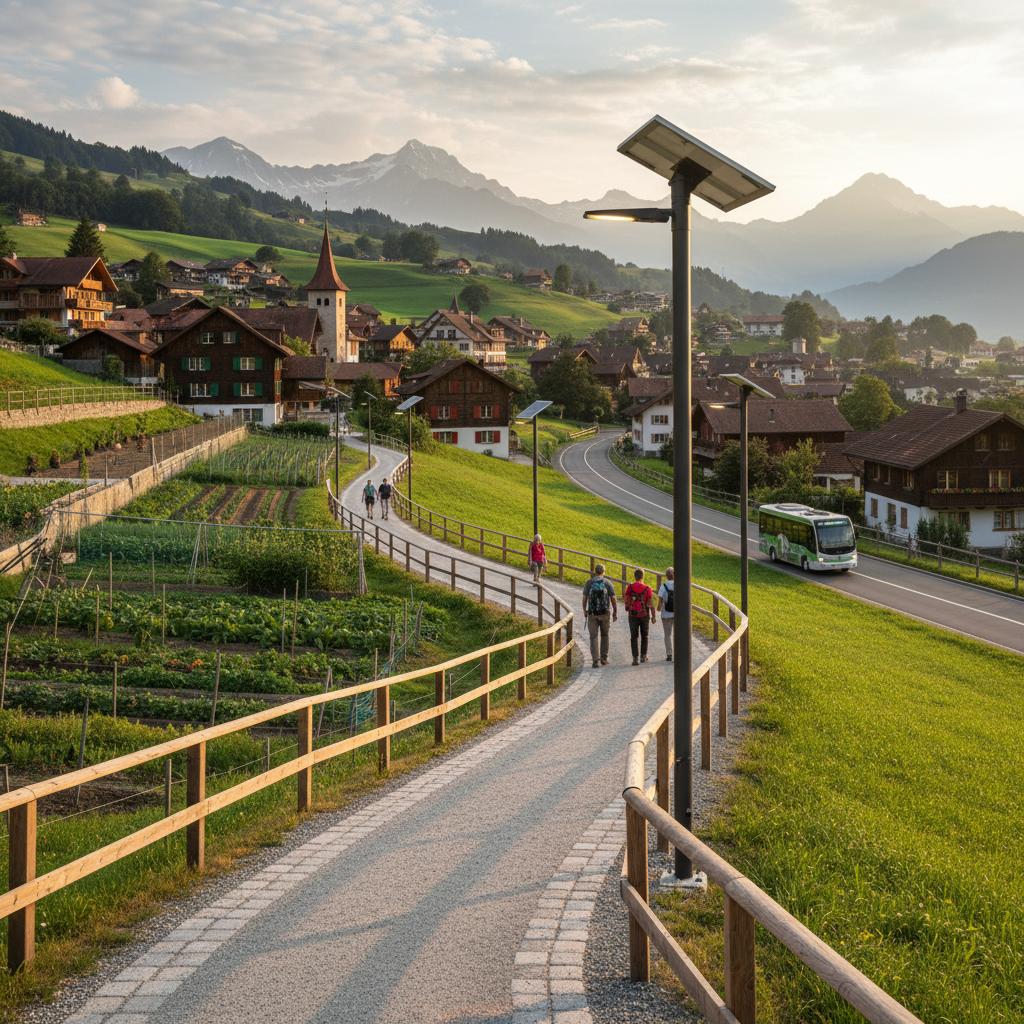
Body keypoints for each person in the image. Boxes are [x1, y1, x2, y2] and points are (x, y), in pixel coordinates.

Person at [581, 563, 617, 668]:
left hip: (592, 613)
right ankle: (604, 659)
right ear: (603, 572)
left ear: (595, 571)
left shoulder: (589, 583)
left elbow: (584, 598)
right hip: (605, 613)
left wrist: (585, 610)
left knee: (593, 637)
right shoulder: (607, 583)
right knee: (604, 635)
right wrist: (614, 612)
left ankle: (595, 661)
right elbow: (613, 598)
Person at [624, 568, 655, 665]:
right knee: (644, 635)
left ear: (635, 577)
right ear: (643, 577)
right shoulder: (647, 588)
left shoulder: (630, 587)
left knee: (634, 636)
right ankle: (643, 656)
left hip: (632, 615)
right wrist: (653, 616)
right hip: (644, 615)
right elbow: (650, 603)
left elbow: (627, 600)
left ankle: (635, 658)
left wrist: (628, 608)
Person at [656, 567, 675, 662]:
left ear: (666, 576)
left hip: (666, 614)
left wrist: (658, 608)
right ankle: (678, 653)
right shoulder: (679, 585)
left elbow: (660, 600)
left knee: (667, 635)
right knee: (677, 634)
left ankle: (669, 654)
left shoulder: (663, 586)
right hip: (677, 614)